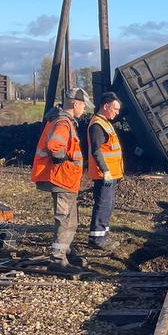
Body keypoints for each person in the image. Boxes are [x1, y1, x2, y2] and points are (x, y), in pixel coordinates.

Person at [31, 88, 87, 266]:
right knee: (65, 218)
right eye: (84, 106)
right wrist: (62, 159)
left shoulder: (60, 120)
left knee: (71, 219)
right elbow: (54, 145)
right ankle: (57, 258)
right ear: (75, 104)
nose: (84, 110)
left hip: (65, 179)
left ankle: (65, 250)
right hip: (61, 178)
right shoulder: (63, 123)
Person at [86, 92, 123, 250]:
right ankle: (96, 239)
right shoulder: (97, 125)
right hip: (104, 174)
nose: (117, 112)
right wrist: (106, 170)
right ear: (106, 106)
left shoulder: (105, 123)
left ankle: (103, 236)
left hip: (111, 173)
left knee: (108, 205)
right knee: (102, 204)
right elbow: (97, 151)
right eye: (115, 109)